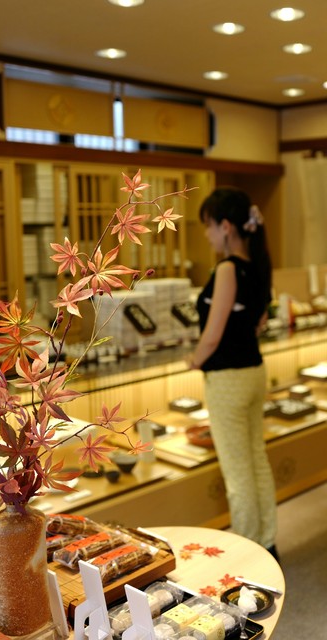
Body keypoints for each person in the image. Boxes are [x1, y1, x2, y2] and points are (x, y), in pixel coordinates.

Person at [186, 187, 278, 560]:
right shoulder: (258, 264)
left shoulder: (227, 269)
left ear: (225, 226)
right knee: (256, 460)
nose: (207, 234)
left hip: (227, 381)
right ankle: (266, 543)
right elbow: (258, 323)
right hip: (254, 373)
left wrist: (194, 359)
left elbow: (213, 334)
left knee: (238, 474)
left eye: (209, 226)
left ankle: (248, 556)